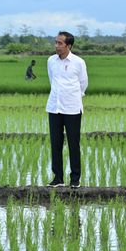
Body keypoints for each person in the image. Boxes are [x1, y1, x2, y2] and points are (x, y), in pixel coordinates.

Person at [46, 31, 88, 188]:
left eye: (60, 43)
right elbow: (52, 80)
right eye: (56, 42)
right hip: (54, 107)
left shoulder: (78, 62)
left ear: (68, 46)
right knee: (55, 143)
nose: (57, 46)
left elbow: (83, 84)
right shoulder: (51, 61)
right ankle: (58, 178)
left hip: (72, 109)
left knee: (73, 144)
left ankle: (75, 179)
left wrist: (72, 97)